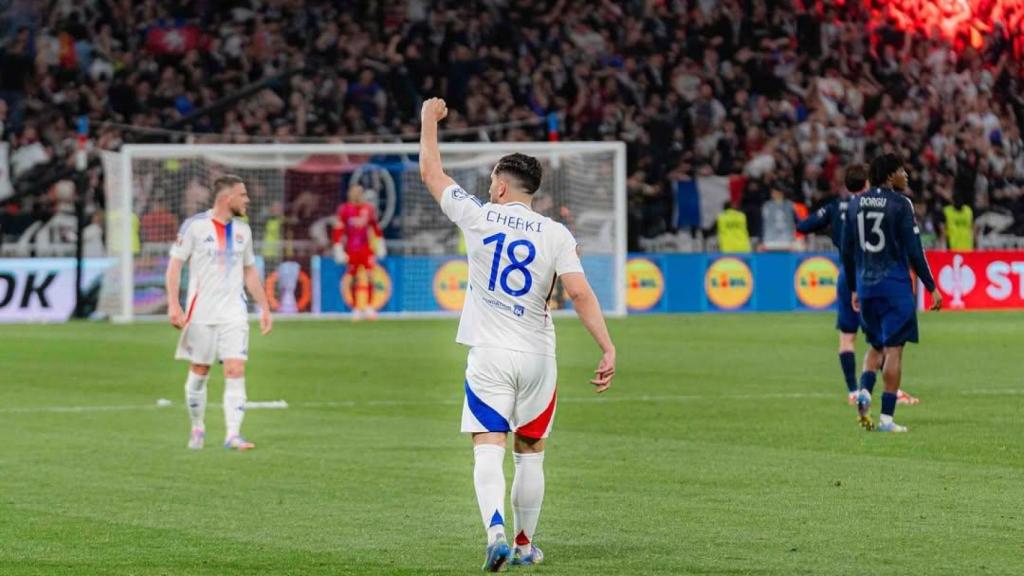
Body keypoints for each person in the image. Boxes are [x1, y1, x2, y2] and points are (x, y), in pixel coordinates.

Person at [419, 98, 616, 571]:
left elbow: (431, 173)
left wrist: (428, 120)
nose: (490, 189)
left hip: (490, 353)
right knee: (530, 452)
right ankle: (526, 545)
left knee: (488, 445)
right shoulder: (556, 233)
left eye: (492, 182)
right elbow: (579, 293)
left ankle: (495, 532)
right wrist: (607, 346)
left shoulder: (480, 215)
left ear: (502, 186)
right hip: (538, 357)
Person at [165, 175, 273, 450]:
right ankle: (197, 426)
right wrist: (174, 304)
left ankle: (233, 435)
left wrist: (264, 306)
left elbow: (249, 271)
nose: (247, 200)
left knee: (236, 369)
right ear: (227, 198)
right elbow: (175, 265)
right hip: (201, 313)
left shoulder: (243, 231)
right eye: (243, 194)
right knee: (200, 371)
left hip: (234, 312)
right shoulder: (194, 227)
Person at [797, 165, 920, 406]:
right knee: (885, 339)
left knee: (847, 337)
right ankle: (892, 392)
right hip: (873, 274)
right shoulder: (879, 205)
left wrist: (832, 229)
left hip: (847, 275)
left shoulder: (837, 207)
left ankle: (853, 391)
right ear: (867, 183)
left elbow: (803, 226)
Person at [842, 154, 942, 432]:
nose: (906, 175)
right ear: (889, 175)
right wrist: (931, 286)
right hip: (894, 286)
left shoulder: (855, 204)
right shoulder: (901, 204)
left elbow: (847, 252)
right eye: (901, 170)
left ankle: (864, 391)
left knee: (875, 346)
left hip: (866, 286)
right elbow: (914, 250)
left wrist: (853, 287)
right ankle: (886, 419)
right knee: (894, 349)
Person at [332, 184, 386, 320]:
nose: (356, 195)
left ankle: (369, 307)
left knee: (370, 276)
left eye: (359, 193)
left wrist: (380, 244)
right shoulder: (344, 210)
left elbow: (375, 227)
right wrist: (338, 247)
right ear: (350, 194)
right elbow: (338, 229)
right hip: (351, 249)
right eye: (354, 193)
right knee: (353, 278)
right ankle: (356, 307)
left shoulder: (368, 209)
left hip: (365, 249)